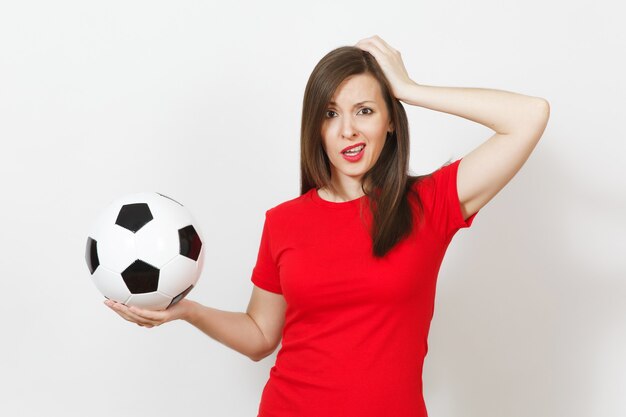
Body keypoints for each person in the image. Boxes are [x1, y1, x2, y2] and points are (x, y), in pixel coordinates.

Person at [104, 35, 550, 417]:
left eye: (365, 111)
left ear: (391, 120)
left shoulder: (427, 204)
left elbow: (529, 116)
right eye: (331, 113)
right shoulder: (283, 222)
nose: (348, 131)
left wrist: (409, 88)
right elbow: (261, 337)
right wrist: (188, 311)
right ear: (315, 128)